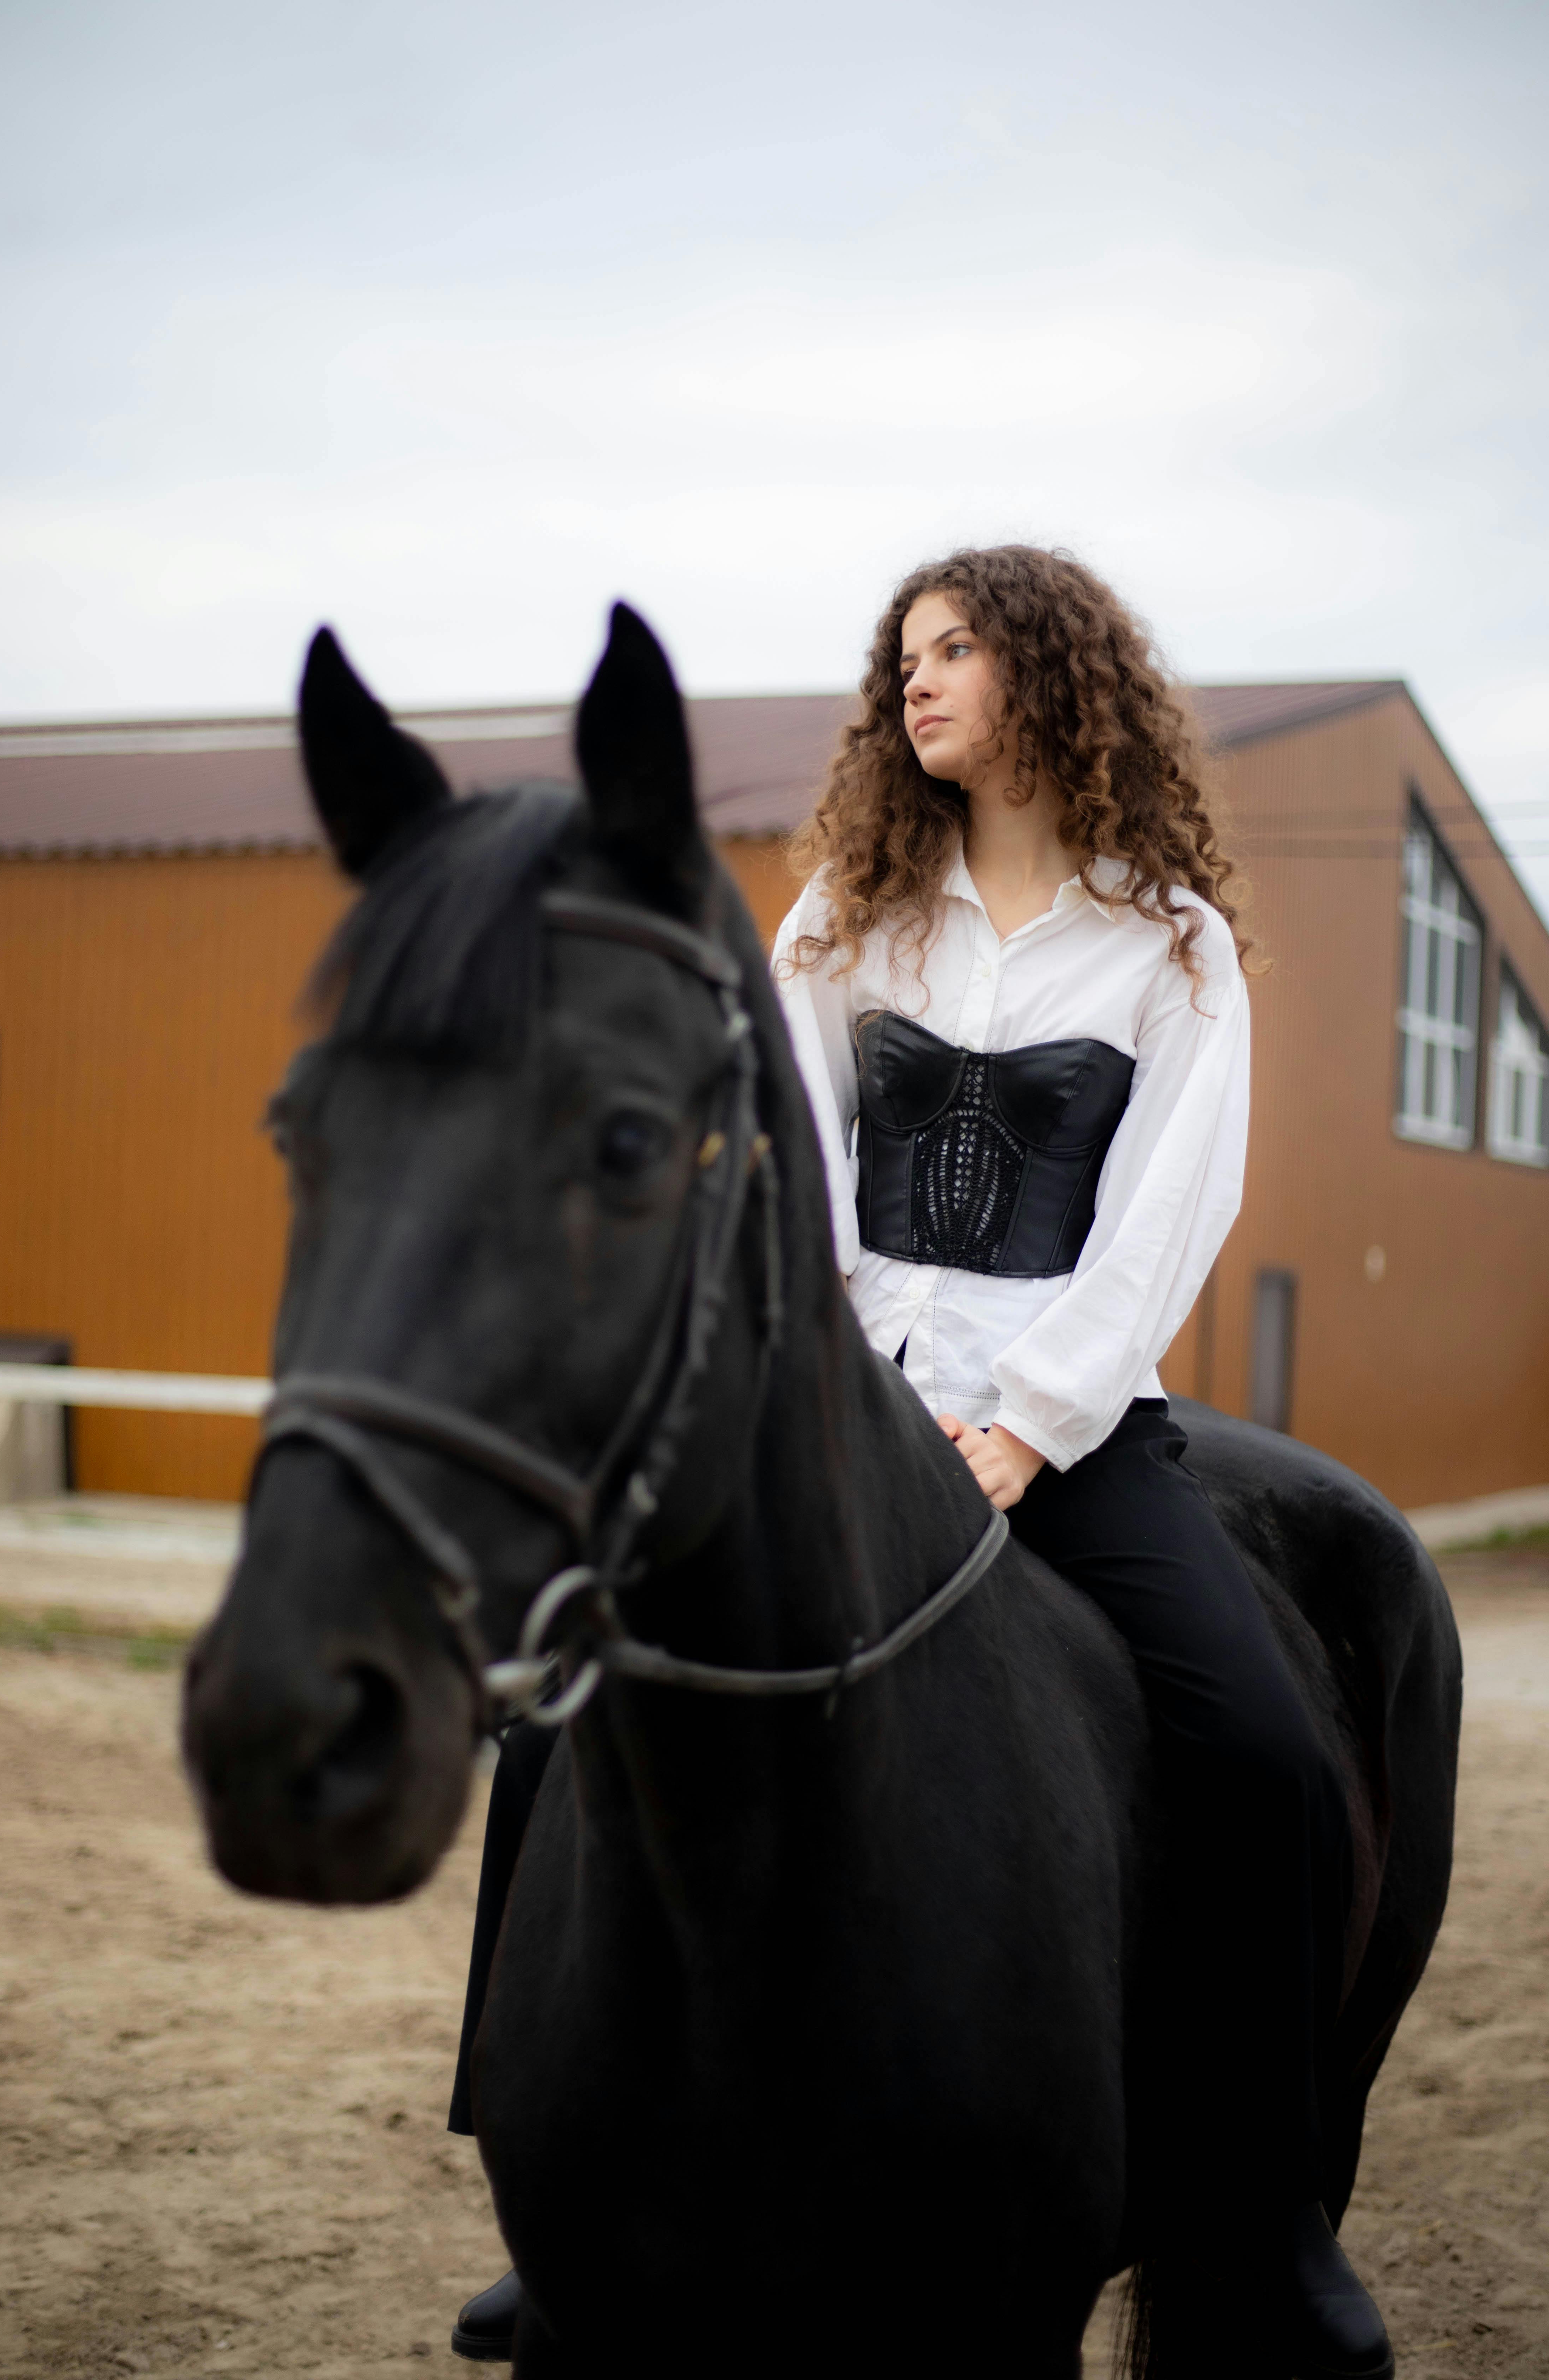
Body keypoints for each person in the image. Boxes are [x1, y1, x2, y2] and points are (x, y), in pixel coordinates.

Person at [449, 544, 1389, 2380]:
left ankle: (1262, 2216)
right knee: (562, 1681)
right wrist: (861, 1393)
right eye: (904, 655)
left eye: (953, 647)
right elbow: (793, 1183)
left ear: (1053, 671)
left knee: (1267, 1749)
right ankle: (530, 2176)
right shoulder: (840, 925)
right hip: (844, 1408)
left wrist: (1024, 1428)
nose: (916, 680)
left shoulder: (1174, 947)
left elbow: (1165, 1222)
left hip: (1074, 1427)